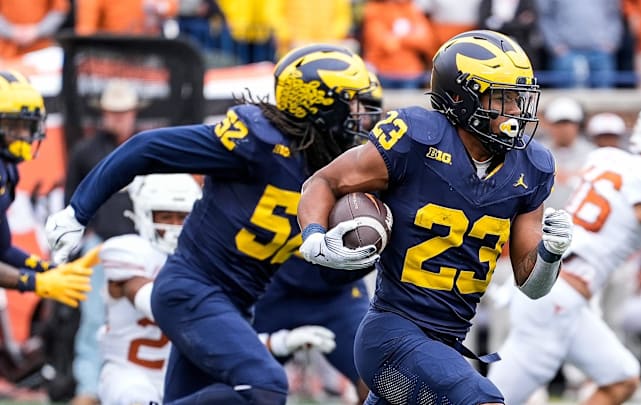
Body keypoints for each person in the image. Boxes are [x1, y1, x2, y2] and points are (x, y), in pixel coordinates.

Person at [44, 44, 381, 404]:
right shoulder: (256, 142)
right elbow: (147, 148)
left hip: (237, 303)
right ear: (319, 103)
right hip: (192, 290)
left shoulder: (323, 164)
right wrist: (77, 211)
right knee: (266, 386)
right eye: (351, 103)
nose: (359, 117)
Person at [296, 30, 574, 404]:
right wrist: (314, 238)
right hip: (392, 335)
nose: (515, 112)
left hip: (446, 344)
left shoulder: (532, 166)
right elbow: (324, 181)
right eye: (502, 98)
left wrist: (551, 252)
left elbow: (532, 285)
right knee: (480, 399)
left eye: (518, 99)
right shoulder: (416, 139)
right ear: (460, 98)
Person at [487, 102, 641, 405]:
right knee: (495, 400)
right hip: (555, 298)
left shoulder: (606, 159)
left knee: (622, 377)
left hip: (560, 291)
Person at [98, 173, 336, 405]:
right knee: (134, 397)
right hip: (130, 375)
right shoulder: (128, 250)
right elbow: (181, 313)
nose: (174, 226)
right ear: (143, 213)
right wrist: (191, 299)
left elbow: (218, 335)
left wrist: (282, 341)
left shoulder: (204, 262)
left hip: (185, 379)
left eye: (182, 217)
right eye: (165, 216)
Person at [252, 73, 385, 405]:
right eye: (356, 107)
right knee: (242, 381)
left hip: (335, 295)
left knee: (379, 379)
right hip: (272, 287)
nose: (365, 119)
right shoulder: (270, 152)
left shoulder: (370, 164)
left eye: (368, 109)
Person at [64, 79, 142, 405]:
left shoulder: (148, 147)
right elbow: (70, 201)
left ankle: (140, 387)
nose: (117, 118)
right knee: (94, 319)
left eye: (123, 112)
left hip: (141, 247)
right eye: (112, 112)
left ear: (133, 113)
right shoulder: (86, 151)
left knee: (144, 317)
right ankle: (88, 388)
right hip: (99, 245)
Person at [0, 70, 93, 307]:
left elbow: (4, 249)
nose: (24, 135)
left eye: (26, 125)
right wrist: (34, 283)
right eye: (14, 125)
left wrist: (47, 269)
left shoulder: (6, 169)